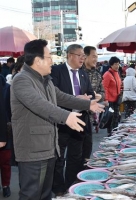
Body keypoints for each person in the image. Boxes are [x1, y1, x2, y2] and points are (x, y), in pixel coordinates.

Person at [10, 39, 104, 200]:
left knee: (45, 193)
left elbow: (61, 97)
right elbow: (38, 104)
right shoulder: (22, 80)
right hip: (32, 149)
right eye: (48, 57)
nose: (52, 61)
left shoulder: (45, 80)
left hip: (48, 147)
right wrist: (66, 116)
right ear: (38, 61)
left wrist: (87, 104)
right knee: (31, 194)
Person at [51, 44, 102, 196]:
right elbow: (54, 95)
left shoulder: (83, 74)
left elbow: (91, 94)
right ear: (70, 55)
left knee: (76, 157)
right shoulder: (56, 71)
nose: (82, 58)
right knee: (59, 158)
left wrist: (88, 98)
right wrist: (75, 99)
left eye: (83, 56)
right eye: (80, 55)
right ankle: (59, 189)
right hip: (62, 120)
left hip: (80, 120)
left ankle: (71, 186)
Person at [83, 46, 107, 126]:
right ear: (85, 56)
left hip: (91, 117)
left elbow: (103, 92)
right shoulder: (77, 72)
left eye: (97, 57)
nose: (96, 59)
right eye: (93, 56)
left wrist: (100, 96)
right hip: (77, 115)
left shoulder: (97, 74)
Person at [102, 56, 122, 135]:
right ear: (111, 65)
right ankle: (110, 134)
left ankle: (115, 133)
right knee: (110, 118)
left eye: (118, 64)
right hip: (110, 100)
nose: (117, 66)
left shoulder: (117, 73)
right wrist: (106, 99)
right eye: (115, 64)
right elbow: (104, 87)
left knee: (116, 117)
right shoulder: (107, 74)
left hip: (116, 100)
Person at [0, 74, 10, 198]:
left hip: (3, 130)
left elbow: (3, 111)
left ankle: (6, 185)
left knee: (4, 162)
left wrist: (2, 137)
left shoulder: (6, 86)